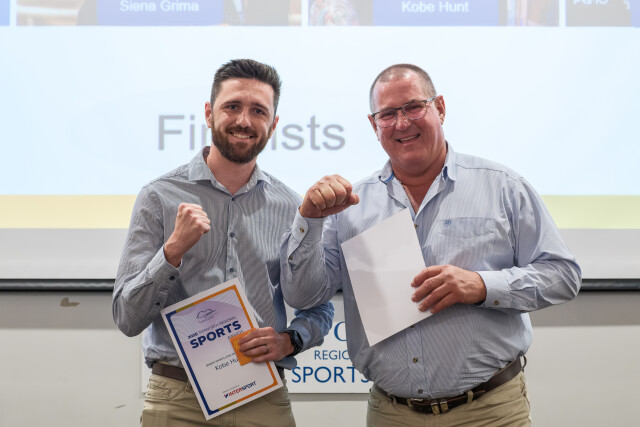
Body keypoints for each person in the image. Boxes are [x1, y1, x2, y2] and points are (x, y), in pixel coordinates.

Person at [280, 63, 581, 426]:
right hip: (392, 414)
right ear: (374, 125)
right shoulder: (350, 207)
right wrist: (309, 220)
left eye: (413, 107)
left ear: (440, 108)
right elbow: (303, 295)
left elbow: (562, 275)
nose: (401, 123)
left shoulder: (503, 186)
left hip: (488, 412)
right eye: (387, 114)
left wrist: (482, 285)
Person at [113, 58, 334, 427]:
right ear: (208, 113)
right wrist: (172, 252)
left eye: (258, 110)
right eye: (232, 106)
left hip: (263, 394)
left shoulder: (292, 207)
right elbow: (127, 317)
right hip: (178, 397)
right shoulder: (158, 196)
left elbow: (318, 305)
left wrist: (291, 340)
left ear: (273, 124)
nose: (244, 120)